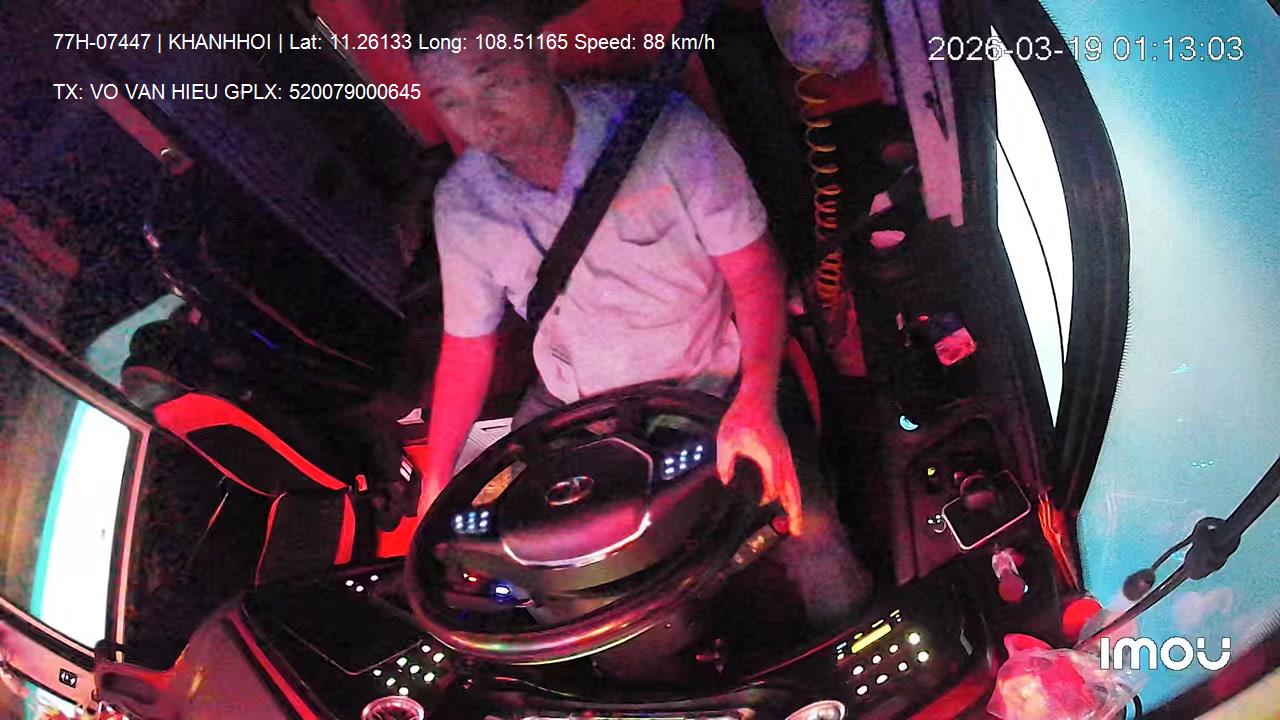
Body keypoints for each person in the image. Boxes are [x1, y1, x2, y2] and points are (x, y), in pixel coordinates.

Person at [405, 0, 869, 627]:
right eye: (451, 101)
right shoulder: (463, 202)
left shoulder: (667, 134)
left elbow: (755, 271)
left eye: (493, 81)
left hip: (710, 383)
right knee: (553, 589)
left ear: (540, 56)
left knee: (814, 534)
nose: (481, 119)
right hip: (573, 403)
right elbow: (467, 347)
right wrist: (436, 481)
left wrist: (756, 401)